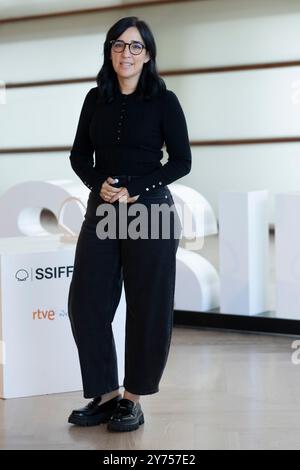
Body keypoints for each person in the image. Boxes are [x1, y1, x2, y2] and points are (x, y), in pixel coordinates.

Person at [67, 15, 192, 433]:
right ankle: (104, 395)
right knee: (87, 303)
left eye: (135, 46)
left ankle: (133, 400)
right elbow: (79, 156)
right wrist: (96, 183)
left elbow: (181, 161)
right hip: (102, 211)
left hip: (149, 210)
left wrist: (136, 188)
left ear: (148, 54)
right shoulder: (94, 99)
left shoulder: (164, 100)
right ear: (109, 51)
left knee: (147, 307)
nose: (126, 53)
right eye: (119, 45)